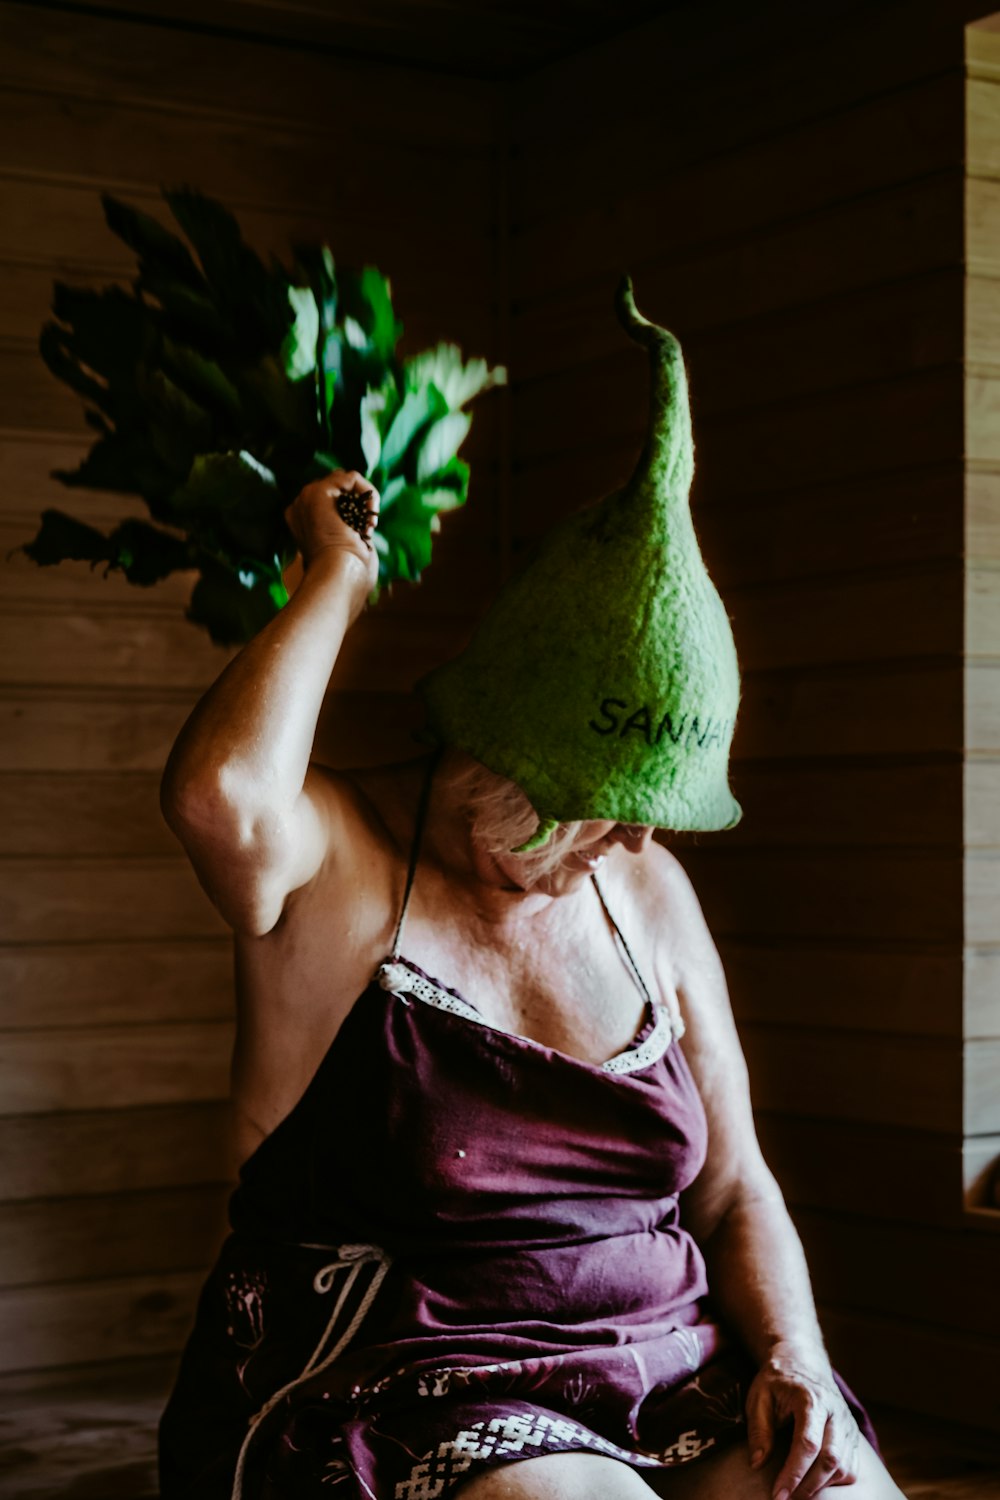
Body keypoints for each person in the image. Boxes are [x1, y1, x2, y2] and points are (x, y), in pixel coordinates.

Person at [157, 283, 907, 1500]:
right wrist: (336, 576)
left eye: (653, 814)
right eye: (604, 801)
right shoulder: (341, 858)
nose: (627, 842)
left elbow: (733, 1186)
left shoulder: (649, 893)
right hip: (410, 1380)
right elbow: (218, 796)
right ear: (502, 740)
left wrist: (797, 1359)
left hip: (670, 1369)